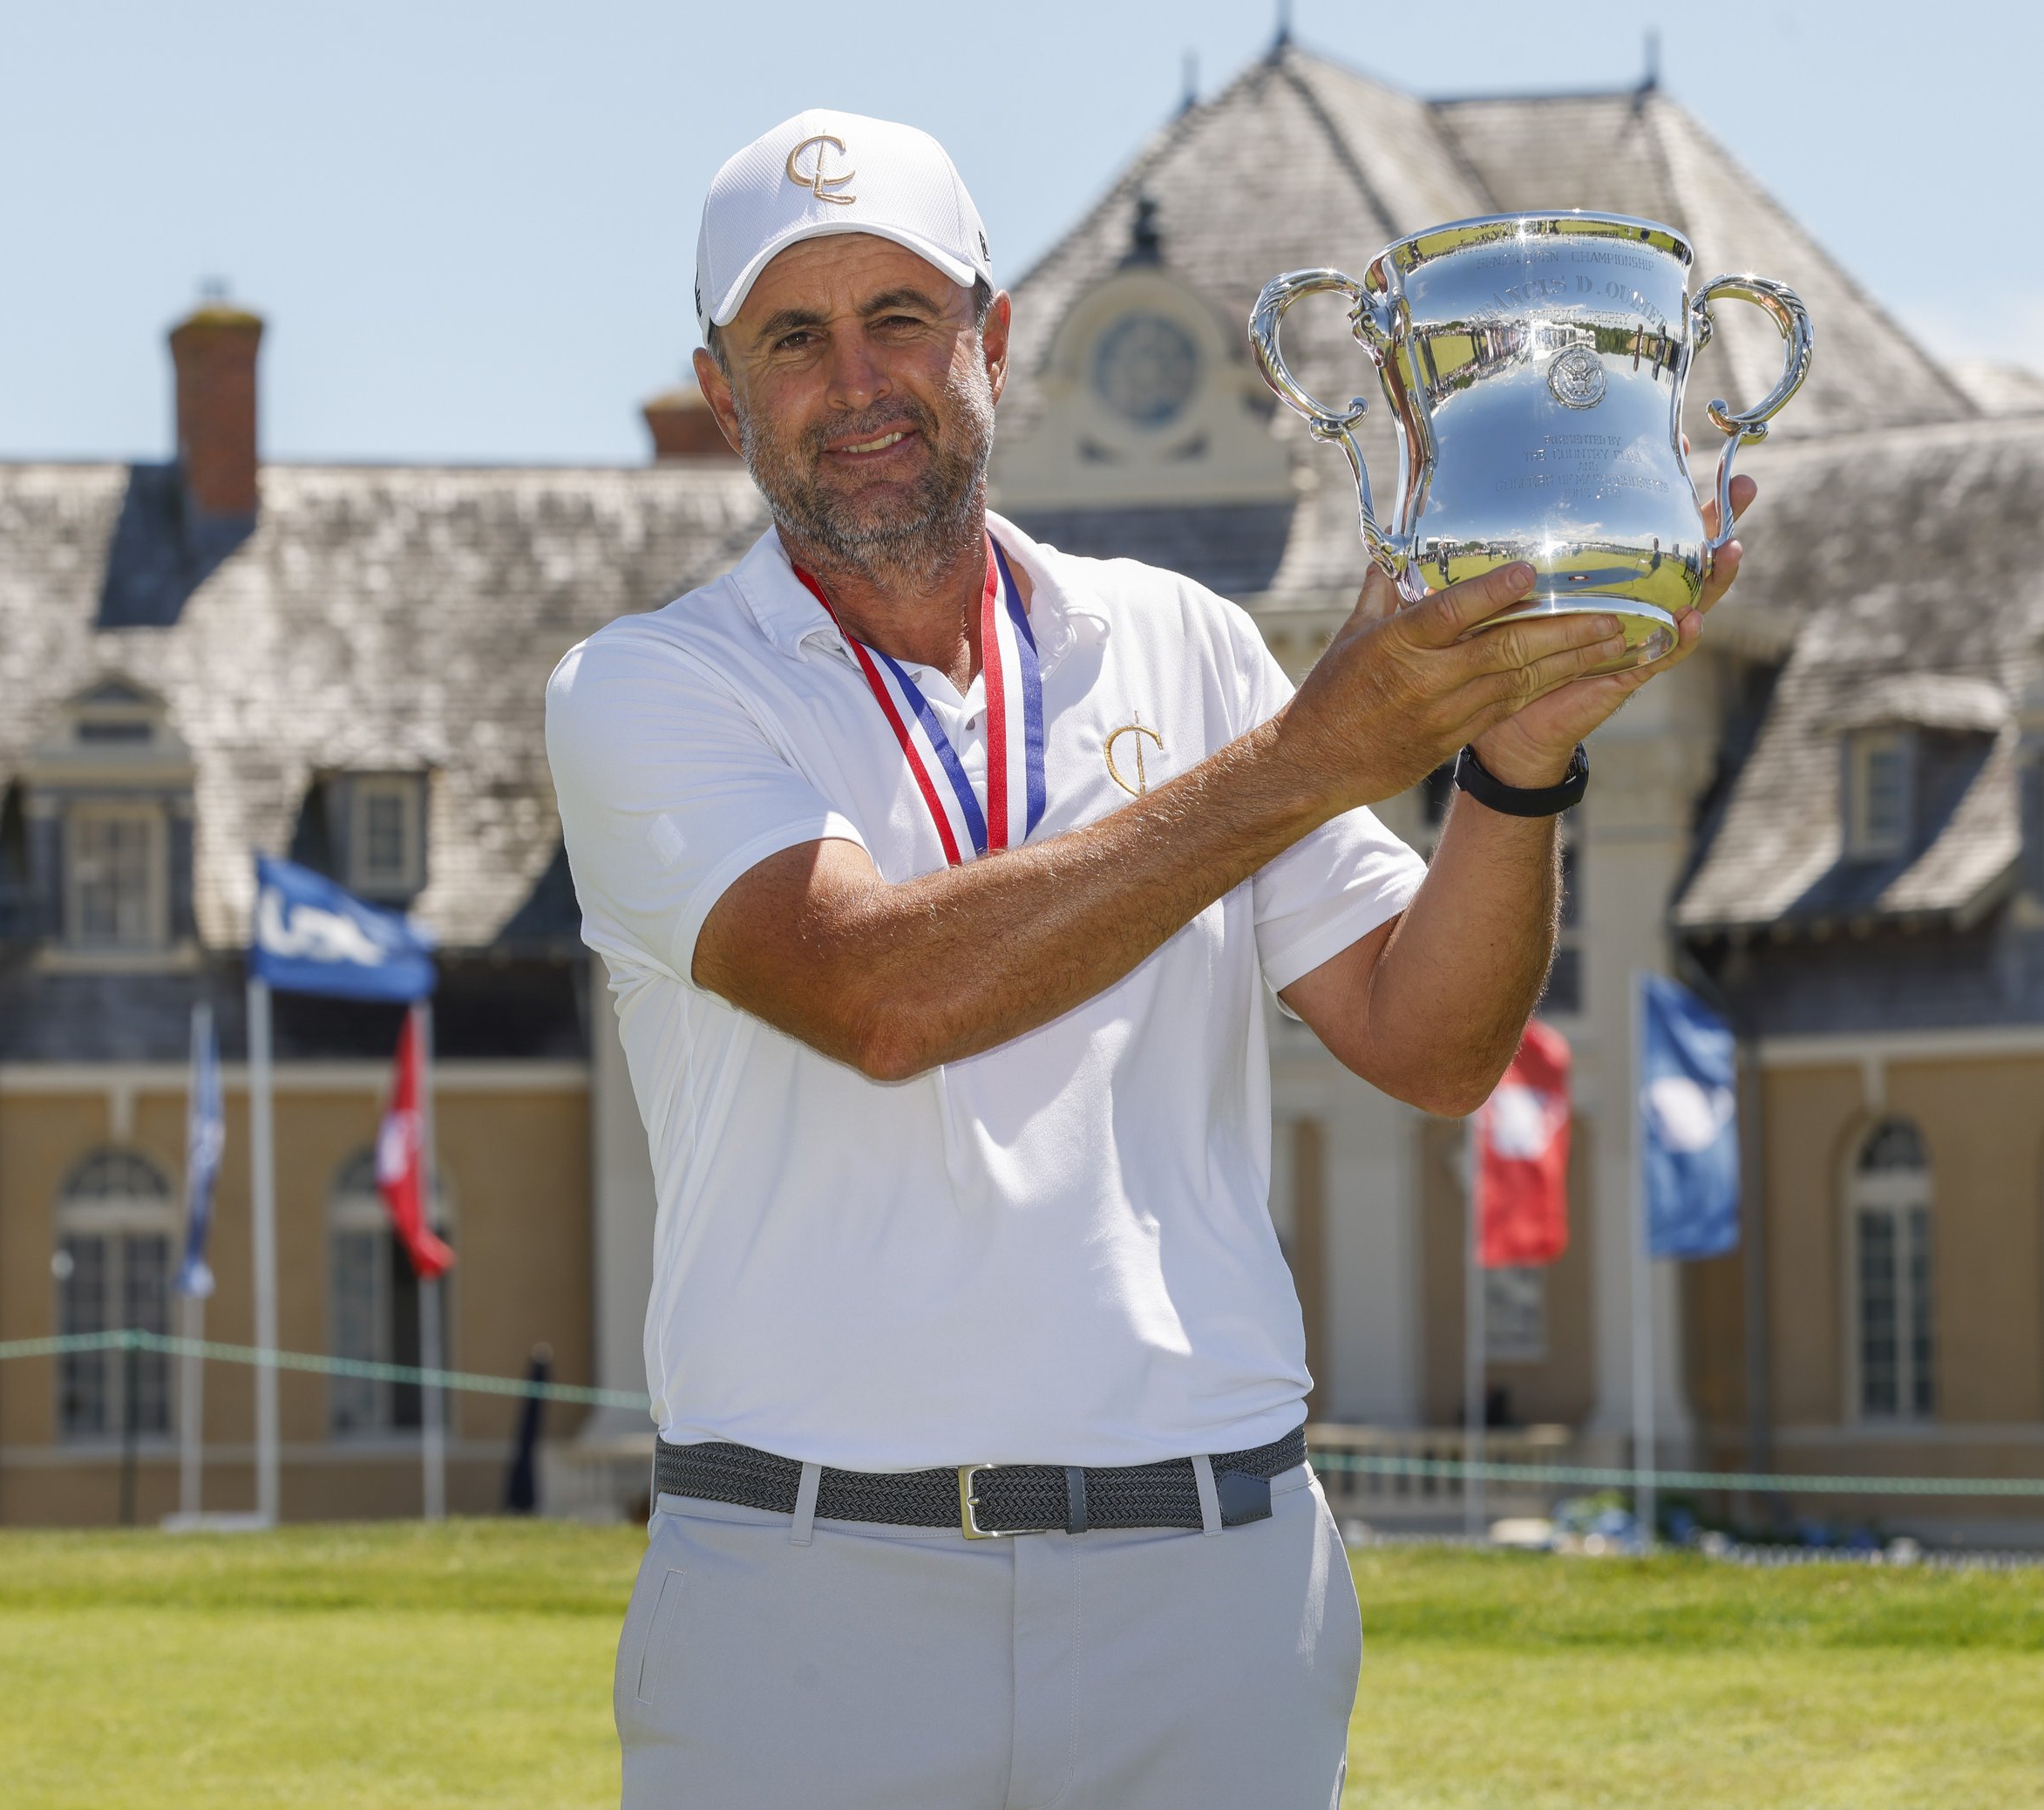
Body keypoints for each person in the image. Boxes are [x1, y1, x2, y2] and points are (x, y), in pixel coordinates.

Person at [546, 108, 1752, 1809]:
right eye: (790, 339)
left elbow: (1428, 1043)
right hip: (811, 1589)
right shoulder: (647, 688)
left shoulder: (1184, 641)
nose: (857, 379)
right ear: (722, 386)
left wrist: (1513, 757)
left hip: (1210, 1580)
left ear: (994, 342)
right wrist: (1310, 757)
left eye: (900, 316)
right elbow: (877, 998)